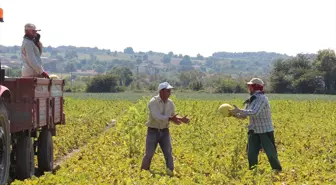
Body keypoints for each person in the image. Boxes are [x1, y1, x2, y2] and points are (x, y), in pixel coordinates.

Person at [229, 78, 282, 171]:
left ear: (255, 87)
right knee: (251, 152)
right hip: (253, 129)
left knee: (270, 152)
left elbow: (254, 112)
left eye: (250, 86)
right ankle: (253, 170)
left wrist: (240, 110)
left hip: (264, 130)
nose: (248, 88)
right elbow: (244, 116)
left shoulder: (262, 98)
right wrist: (234, 114)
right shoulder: (251, 99)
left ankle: (277, 169)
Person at [141, 82, 189, 175]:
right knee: (149, 154)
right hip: (153, 131)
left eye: (170, 91)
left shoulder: (170, 103)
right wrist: (172, 118)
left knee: (168, 153)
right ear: (161, 91)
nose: (170, 93)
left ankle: (170, 173)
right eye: (168, 91)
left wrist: (180, 120)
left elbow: (173, 116)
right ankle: (143, 173)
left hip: (165, 131)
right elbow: (157, 117)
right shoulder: (153, 102)